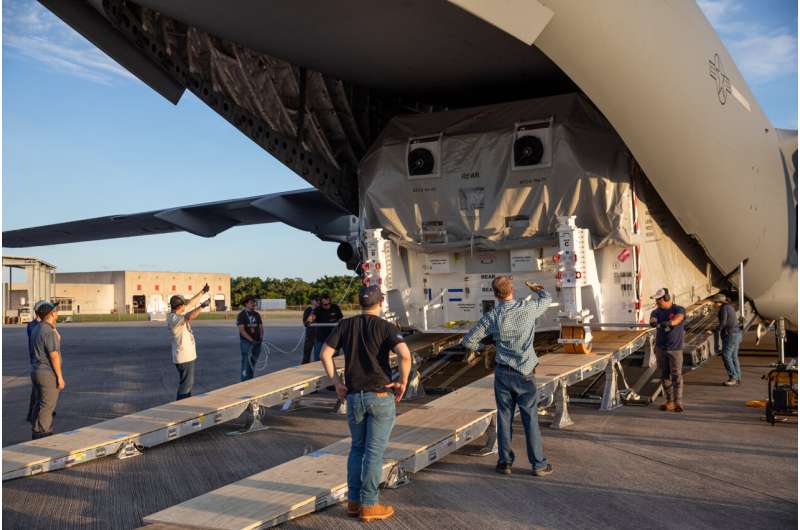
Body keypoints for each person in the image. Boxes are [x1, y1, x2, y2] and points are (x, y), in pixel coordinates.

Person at [319, 285, 411, 522]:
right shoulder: (386, 327)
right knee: (374, 452)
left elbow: (325, 354)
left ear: (360, 303)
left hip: (353, 396)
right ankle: (370, 505)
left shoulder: (345, 325)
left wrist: (337, 383)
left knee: (357, 448)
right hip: (379, 396)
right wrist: (402, 381)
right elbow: (405, 354)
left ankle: (354, 501)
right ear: (380, 302)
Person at [462, 276, 553, 477]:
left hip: (503, 373)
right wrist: (536, 287)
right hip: (525, 373)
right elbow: (547, 298)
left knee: (504, 418)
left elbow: (468, 341)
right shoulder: (528, 309)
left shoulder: (492, 316)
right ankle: (538, 464)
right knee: (530, 419)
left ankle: (505, 462)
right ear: (512, 289)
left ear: (495, 294)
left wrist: (484, 347)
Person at [167, 284, 210, 400]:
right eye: (183, 304)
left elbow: (190, 303)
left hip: (186, 356)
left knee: (187, 384)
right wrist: (202, 306)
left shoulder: (177, 314)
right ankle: (181, 409)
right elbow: (190, 316)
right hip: (184, 358)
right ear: (179, 306)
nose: (185, 305)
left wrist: (202, 292)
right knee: (186, 386)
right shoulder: (173, 318)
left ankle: (185, 404)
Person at [29, 301, 64, 439]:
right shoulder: (48, 331)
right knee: (47, 405)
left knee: (39, 402)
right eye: (55, 311)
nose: (57, 313)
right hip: (47, 373)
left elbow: (58, 339)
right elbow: (54, 355)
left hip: (36, 370)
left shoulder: (37, 328)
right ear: (50, 314)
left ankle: (36, 429)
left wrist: (53, 325)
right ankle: (43, 434)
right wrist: (60, 377)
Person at [649, 288, 687, 412]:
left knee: (676, 376)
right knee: (664, 375)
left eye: (659, 299)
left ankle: (678, 403)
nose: (657, 302)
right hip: (661, 348)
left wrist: (670, 323)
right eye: (656, 300)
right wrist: (653, 322)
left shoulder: (678, 309)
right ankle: (669, 402)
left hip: (675, 348)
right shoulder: (656, 312)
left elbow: (679, 318)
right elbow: (653, 318)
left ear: (666, 298)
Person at [708, 293, 742, 386]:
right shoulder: (729, 307)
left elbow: (723, 323)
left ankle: (733, 377)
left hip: (730, 335)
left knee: (726, 355)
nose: (713, 304)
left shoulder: (723, 308)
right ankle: (738, 377)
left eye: (714, 302)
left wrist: (714, 330)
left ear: (719, 302)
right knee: (734, 356)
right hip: (736, 333)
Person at [307, 293, 343, 362]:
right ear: (321, 303)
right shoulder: (318, 309)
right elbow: (312, 316)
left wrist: (340, 323)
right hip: (321, 338)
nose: (328, 306)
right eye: (325, 304)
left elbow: (340, 318)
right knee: (318, 359)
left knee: (334, 359)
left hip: (334, 337)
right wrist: (308, 321)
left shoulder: (335, 307)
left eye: (329, 303)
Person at [237, 295, 264, 381]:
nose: (254, 304)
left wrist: (261, 337)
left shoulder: (257, 314)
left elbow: (261, 327)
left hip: (257, 342)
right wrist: (251, 340)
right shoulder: (241, 315)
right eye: (251, 302)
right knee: (246, 363)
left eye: (254, 302)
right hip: (246, 342)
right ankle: (244, 382)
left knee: (253, 362)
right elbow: (242, 330)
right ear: (246, 304)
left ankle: (250, 380)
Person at [26, 305, 43, 423]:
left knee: (39, 389)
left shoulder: (36, 325)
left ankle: (36, 411)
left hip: (38, 361)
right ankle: (33, 414)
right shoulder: (33, 325)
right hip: (37, 361)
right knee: (37, 389)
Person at [301, 295, 320, 364]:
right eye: (316, 300)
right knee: (307, 352)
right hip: (310, 334)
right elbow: (305, 323)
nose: (318, 302)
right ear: (312, 301)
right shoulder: (308, 310)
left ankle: (317, 366)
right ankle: (304, 366)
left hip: (319, 335)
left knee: (318, 354)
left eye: (319, 300)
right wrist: (313, 311)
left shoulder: (321, 310)